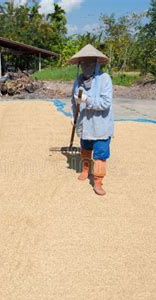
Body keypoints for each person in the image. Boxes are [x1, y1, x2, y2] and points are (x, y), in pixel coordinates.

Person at [68, 44, 114, 196]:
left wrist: (88, 100)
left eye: (90, 63)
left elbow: (106, 103)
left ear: (97, 63)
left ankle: (98, 181)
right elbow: (73, 101)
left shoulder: (104, 79)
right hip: (84, 124)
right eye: (84, 63)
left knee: (100, 153)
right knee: (85, 149)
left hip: (100, 125)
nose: (86, 66)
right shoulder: (79, 80)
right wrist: (72, 116)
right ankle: (86, 170)